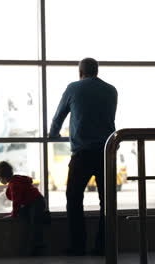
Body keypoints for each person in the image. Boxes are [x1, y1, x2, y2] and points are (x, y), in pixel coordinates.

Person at [48, 57, 117, 256]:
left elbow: (59, 115)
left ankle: (78, 245)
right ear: (97, 70)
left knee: (74, 198)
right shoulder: (111, 90)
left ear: (80, 72)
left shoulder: (73, 88)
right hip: (107, 151)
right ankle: (103, 245)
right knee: (107, 201)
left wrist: (53, 135)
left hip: (83, 153)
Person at [0, 161, 51, 257]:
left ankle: (36, 249)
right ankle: (34, 247)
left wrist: (14, 214)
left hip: (36, 203)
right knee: (32, 221)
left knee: (35, 225)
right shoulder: (16, 180)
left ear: (2, 177)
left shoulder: (14, 184)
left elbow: (17, 201)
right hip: (35, 202)